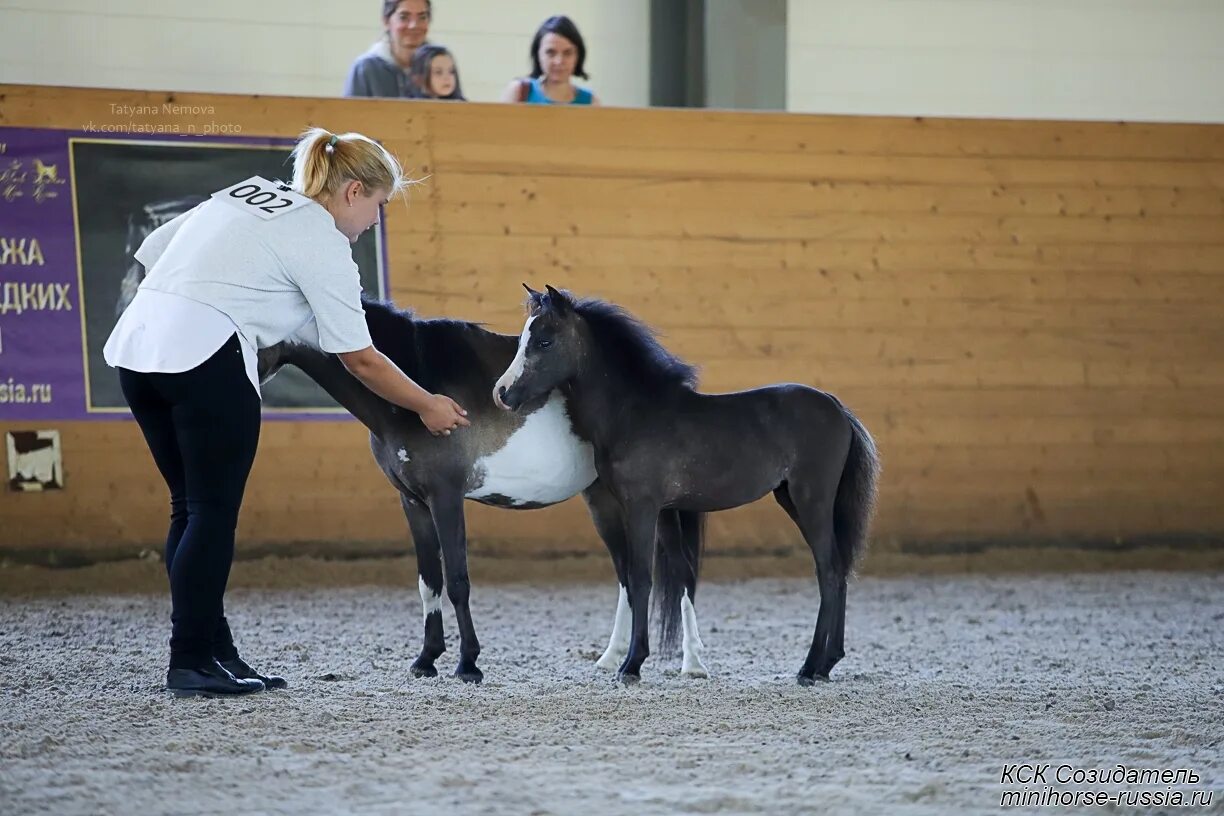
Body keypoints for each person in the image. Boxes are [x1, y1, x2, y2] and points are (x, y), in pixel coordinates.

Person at [103, 128, 470, 697]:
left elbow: (151, 254)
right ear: (353, 192)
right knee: (210, 514)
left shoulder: (245, 194)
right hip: (205, 356)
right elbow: (361, 359)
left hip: (136, 350)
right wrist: (428, 405)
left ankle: (211, 647)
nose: (375, 221)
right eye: (379, 206)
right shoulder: (322, 240)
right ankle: (190, 659)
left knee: (190, 508)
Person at [500, 15, 600, 106]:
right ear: (538, 54)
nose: (559, 61)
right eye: (550, 53)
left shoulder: (591, 103)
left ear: (578, 55)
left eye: (567, 53)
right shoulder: (519, 92)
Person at [344, 0, 432, 98]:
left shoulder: (441, 65)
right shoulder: (365, 68)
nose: (414, 25)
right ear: (386, 21)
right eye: (404, 17)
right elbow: (350, 112)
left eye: (422, 17)